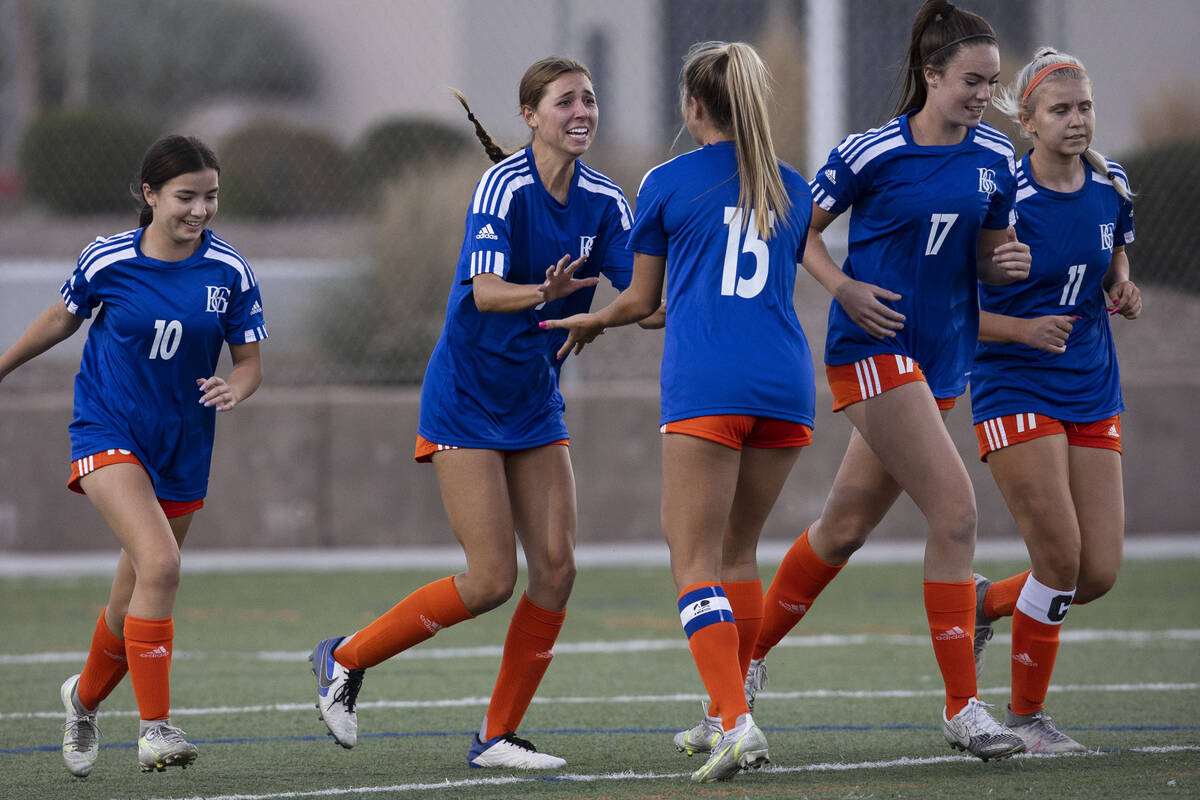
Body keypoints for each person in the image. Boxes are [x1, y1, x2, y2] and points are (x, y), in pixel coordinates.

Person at [308, 56, 634, 770]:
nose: (581, 111)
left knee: (558, 569)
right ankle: (343, 658)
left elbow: (645, 294)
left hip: (534, 401)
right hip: (466, 398)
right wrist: (547, 297)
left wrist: (607, 317)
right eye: (564, 101)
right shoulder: (502, 186)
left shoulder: (607, 201)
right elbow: (485, 292)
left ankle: (497, 736)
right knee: (491, 580)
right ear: (530, 116)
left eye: (589, 99)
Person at [741, 0, 1031, 760]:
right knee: (959, 514)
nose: (981, 95)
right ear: (930, 75)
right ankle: (964, 709)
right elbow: (796, 231)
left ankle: (745, 661)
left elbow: (988, 254)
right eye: (970, 80)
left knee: (843, 527)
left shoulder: (997, 158)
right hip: (870, 349)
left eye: (992, 83)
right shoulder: (871, 153)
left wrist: (1003, 264)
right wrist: (842, 287)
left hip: (942, 361)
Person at [545, 40, 815, 783]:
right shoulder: (791, 185)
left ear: (694, 107)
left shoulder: (667, 180)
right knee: (738, 555)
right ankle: (725, 706)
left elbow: (642, 301)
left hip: (709, 383)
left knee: (694, 559)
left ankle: (736, 722)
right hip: (787, 386)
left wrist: (591, 320)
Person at [0, 135, 266, 777]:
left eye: (211, 196)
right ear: (150, 195)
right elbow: (62, 320)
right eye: (185, 197)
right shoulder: (107, 259)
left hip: (184, 445)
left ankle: (83, 701)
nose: (200, 210)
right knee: (162, 563)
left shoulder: (230, 271)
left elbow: (250, 362)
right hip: (108, 429)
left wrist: (237, 387)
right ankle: (155, 729)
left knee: (132, 599)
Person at [968, 47, 1139, 754]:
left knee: (1096, 571)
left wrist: (1120, 285)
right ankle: (1026, 720)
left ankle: (981, 603)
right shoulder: (1003, 197)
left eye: (1086, 107)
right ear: (1029, 120)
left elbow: (1114, 251)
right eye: (1061, 110)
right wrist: (1021, 328)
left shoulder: (1112, 181)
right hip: (1014, 381)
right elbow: (951, 307)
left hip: (1092, 382)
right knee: (1060, 556)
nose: (1077, 121)